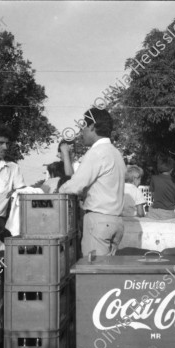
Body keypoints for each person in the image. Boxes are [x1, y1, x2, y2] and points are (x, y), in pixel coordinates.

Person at [59, 108, 126, 256]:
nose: (82, 131)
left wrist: (56, 192)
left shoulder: (96, 152)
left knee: (93, 274)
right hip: (116, 222)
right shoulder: (116, 153)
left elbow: (74, 186)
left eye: (83, 126)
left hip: (99, 222)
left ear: (91, 127)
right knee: (108, 274)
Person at [147, 155, 175, 220]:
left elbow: (153, 194)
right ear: (171, 169)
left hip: (155, 211)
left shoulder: (154, 178)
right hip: (169, 213)